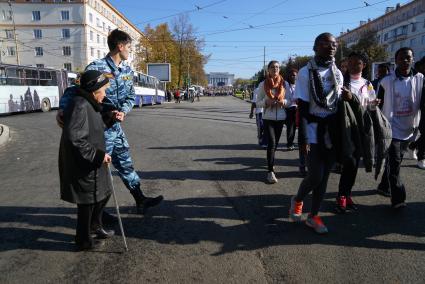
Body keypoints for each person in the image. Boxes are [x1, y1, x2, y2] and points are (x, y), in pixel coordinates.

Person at [57, 29, 163, 215]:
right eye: (129, 47)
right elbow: (74, 90)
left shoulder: (127, 70)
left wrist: (124, 111)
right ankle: (97, 216)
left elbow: (130, 96)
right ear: (120, 46)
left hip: (115, 127)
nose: (130, 51)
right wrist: (62, 109)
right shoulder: (97, 67)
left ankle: (140, 199)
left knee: (125, 163)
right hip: (100, 129)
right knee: (98, 172)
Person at [289, 33, 350, 234]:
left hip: (331, 132)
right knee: (315, 175)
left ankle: (313, 216)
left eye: (334, 44)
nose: (331, 47)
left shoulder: (338, 73)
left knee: (324, 179)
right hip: (314, 130)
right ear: (315, 47)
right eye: (326, 44)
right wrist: (304, 137)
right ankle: (297, 200)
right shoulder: (306, 73)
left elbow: (338, 105)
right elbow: (304, 108)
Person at [59, 70, 114, 251]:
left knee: (102, 194)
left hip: (92, 162)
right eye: (103, 90)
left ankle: (95, 226)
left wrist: (111, 118)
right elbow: (75, 138)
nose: (105, 94)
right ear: (94, 90)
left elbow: (95, 126)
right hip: (83, 163)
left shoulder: (90, 103)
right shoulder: (80, 105)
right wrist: (98, 156)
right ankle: (83, 241)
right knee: (87, 202)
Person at [376, 47, 424, 208]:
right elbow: (377, 105)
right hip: (391, 129)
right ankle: (398, 198)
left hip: (410, 128)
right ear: (395, 60)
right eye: (402, 58)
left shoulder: (420, 78)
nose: (405, 60)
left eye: (408, 57)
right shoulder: (386, 81)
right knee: (395, 163)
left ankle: (384, 186)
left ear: (412, 59)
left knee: (396, 160)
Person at [336, 52, 378, 213]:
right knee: (349, 163)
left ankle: (347, 194)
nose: (352, 65)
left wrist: (374, 104)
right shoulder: (341, 81)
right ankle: (341, 195)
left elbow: (371, 106)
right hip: (345, 129)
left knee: (353, 165)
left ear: (364, 65)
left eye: (357, 63)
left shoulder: (367, 84)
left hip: (361, 129)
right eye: (350, 62)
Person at [256, 60, 287, 184]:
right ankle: (270, 172)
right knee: (272, 143)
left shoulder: (284, 84)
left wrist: (284, 102)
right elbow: (257, 102)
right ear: (268, 70)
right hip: (268, 118)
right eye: (273, 67)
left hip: (280, 118)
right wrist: (265, 103)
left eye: (277, 67)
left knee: (275, 144)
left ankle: (271, 163)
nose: (275, 69)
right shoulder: (263, 84)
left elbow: (290, 100)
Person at [284, 68, 298, 150]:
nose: (294, 77)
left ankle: (300, 143)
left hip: (298, 108)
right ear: (289, 76)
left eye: (295, 75)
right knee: (290, 127)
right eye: (292, 75)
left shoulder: (299, 85)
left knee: (299, 127)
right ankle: (289, 144)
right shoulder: (285, 84)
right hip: (289, 108)